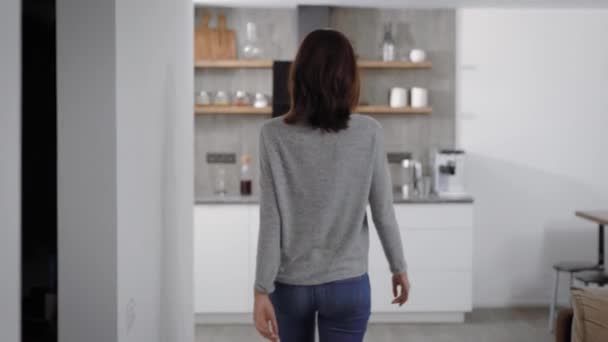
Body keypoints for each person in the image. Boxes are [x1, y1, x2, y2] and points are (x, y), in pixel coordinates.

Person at [253, 29, 410, 342]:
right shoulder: (370, 132)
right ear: (349, 78)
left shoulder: (272, 134)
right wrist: (399, 267)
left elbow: (271, 221)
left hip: (290, 287)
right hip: (347, 285)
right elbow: (383, 211)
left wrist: (260, 290)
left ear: (298, 76)